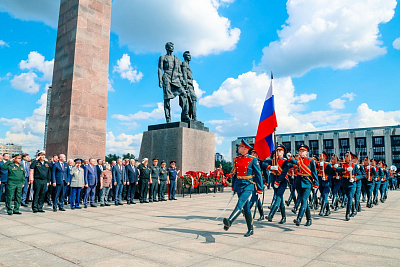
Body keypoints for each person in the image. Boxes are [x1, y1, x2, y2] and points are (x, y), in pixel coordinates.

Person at [223, 139, 263, 237]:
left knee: (240, 203)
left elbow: (258, 175)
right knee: (246, 209)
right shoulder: (236, 159)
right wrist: (233, 187)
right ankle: (250, 229)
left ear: (245, 149)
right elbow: (235, 174)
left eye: (240, 147)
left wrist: (260, 188)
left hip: (248, 184)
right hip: (239, 185)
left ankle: (230, 221)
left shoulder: (253, 160)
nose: (238, 148)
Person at [158, 42, 190, 123]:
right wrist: (160, 79)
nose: (172, 48)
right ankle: (168, 119)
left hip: (176, 79)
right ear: (167, 48)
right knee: (167, 99)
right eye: (170, 46)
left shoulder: (177, 59)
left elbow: (180, 72)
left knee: (184, 94)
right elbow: (160, 69)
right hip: (167, 78)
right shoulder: (162, 57)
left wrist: (183, 81)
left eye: (173, 46)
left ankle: (185, 115)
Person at [287, 144, 319, 226]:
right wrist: (289, 158)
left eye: (303, 151)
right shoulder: (298, 160)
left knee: (304, 201)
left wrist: (316, 183)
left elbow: (314, 173)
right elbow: (294, 162)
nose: (301, 152)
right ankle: (309, 219)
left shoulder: (311, 161)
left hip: (307, 183)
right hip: (299, 183)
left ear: (307, 152)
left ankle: (299, 218)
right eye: (300, 151)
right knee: (304, 203)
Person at [264, 144, 292, 224]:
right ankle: (283, 217)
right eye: (277, 150)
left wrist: (278, 181)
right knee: (281, 200)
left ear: (283, 152)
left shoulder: (286, 162)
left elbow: (284, 173)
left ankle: (271, 215)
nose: (278, 152)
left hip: (282, 182)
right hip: (274, 181)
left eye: (280, 150)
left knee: (278, 197)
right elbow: (263, 163)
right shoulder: (272, 161)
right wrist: (270, 167)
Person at [181, 51, 197, 121]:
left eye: (190, 55)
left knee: (192, 100)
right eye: (187, 55)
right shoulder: (184, 64)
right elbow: (184, 74)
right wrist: (185, 85)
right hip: (187, 84)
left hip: (191, 84)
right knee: (193, 98)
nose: (189, 56)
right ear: (184, 57)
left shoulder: (188, 65)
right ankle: (193, 116)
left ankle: (193, 116)